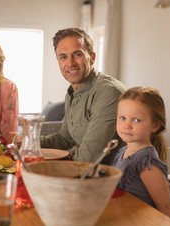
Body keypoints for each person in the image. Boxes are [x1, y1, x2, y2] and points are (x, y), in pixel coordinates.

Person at [40, 27, 126, 164]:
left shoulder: (108, 92)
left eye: (77, 54)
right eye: (63, 57)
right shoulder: (72, 93)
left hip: (110, 178)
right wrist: (26, 142)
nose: (70, 63)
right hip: (85, 173)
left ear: (92, 57)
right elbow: (64, 139)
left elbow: (89, 157)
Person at [113, 86, 170, 221]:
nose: (127, 125)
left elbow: (166, 208)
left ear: (155, 125)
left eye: (136, 120)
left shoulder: (147, 162)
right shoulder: (122, 151)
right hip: (123, 219)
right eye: (122, 118)